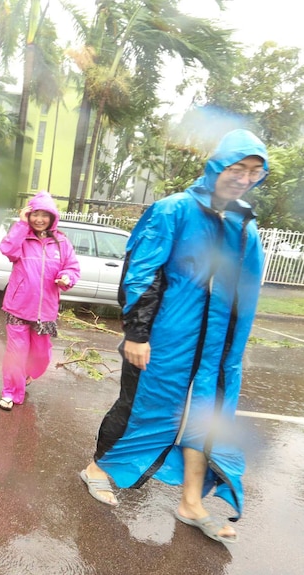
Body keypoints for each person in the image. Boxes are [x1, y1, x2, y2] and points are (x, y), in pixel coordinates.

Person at [79, 129, 269, 545]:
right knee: (139, 410)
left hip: (214, 352)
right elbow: (141, 273)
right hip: (162, 341)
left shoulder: (242, 227)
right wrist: (137, 333)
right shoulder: (174, 211)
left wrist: (231, 352)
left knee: (207, 421)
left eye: (254, 171)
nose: (244, 177)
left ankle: (191, 504)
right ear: (217, 165)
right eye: (238, 167)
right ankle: (97, 469)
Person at [0, 190, 80, 410]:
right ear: (29, 215)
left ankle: (27, 374)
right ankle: (9, 393)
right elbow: (7, 249)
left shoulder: (61, 242)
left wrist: (67, 278)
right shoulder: (21, 238)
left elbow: (72, 268)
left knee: (41, 355)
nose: (39, 219)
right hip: (17, 307)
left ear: (52, 217)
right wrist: (22, 224)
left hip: (46, 311)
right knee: (16, 352)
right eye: (35, 214)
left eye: (45, 215)